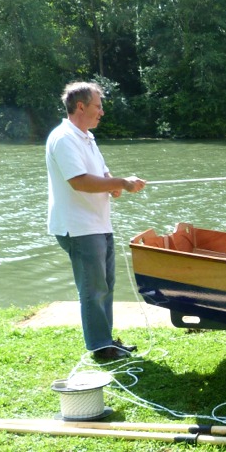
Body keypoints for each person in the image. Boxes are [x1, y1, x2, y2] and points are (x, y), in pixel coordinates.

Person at [46, 81, 146, 361]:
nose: (102, 112)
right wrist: (121, 183)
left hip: (97, 224)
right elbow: (79, 181)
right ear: (81, 107)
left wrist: (113, 184)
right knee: (93, 289)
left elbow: (101, 173)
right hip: (78, 227)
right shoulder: (64, 138)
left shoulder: (86, 137)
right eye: (98, 106)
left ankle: (106, 341)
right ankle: (100, 347)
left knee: (106, 285)